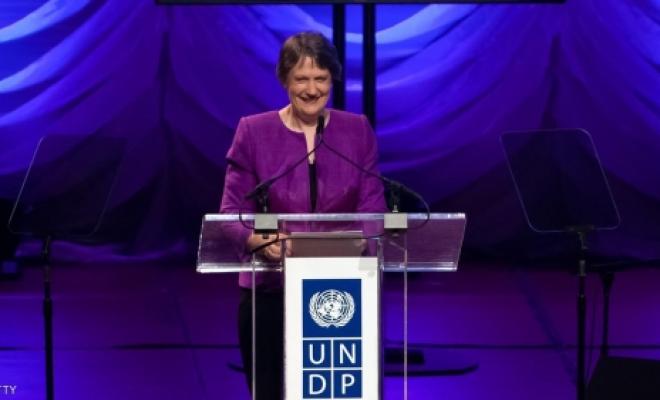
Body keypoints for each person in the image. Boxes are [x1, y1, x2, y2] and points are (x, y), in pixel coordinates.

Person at [219, 31, 386, 400]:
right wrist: (256, 239)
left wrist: (361, 240)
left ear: (333, 79)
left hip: (341, 291)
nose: (312, 90)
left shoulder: (356, 130)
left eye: (321, 79)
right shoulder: (254, 132)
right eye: (301, 79)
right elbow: (231, 214)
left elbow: (373, 208)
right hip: (270, 291)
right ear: (284, 80)